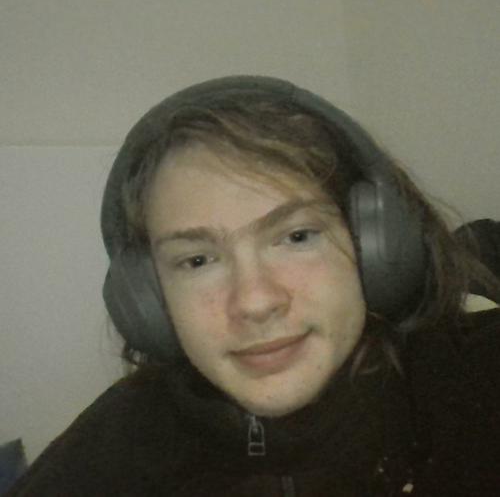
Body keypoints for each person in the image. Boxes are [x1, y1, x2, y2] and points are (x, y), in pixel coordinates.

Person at [8, 76, 500, 496]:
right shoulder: (114, 448)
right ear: (149, 300)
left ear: (376, 245)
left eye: (297, 236)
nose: (256, 302)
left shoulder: (474, 380)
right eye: (197, 260)